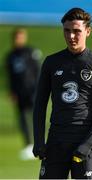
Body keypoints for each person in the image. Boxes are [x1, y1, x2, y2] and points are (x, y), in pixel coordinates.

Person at [33, 8, 92, 179]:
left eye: (76, 31)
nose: (71, 36)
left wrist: (87, 144)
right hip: (56, 142)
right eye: (67, 31)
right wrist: (39, 140)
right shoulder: (52, 62)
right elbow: (40, 103)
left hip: (84, 144)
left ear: (88, 31)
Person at [6, 28, 42, 160]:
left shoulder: (31, 52)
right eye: (16, 37)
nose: (18, 40)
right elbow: (10, 76)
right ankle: (28, 145)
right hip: (19, 92)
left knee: (36, 118)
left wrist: (39, 89)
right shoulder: (10, 56)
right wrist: (12, 91)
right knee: (22, 119)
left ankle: (40, 144)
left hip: (32, 90)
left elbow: (38, 71)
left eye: (21, 37)